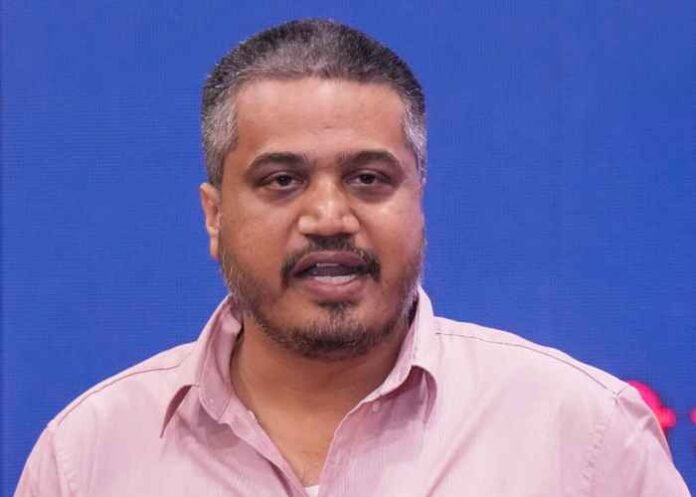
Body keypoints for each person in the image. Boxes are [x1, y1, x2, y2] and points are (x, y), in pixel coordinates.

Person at [15, 19, 690, 497]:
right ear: (214, 215)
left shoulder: (584, 436)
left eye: (368, 178)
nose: (329, 218)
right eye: (282, 180)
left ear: (419, 197)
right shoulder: (88, 458)